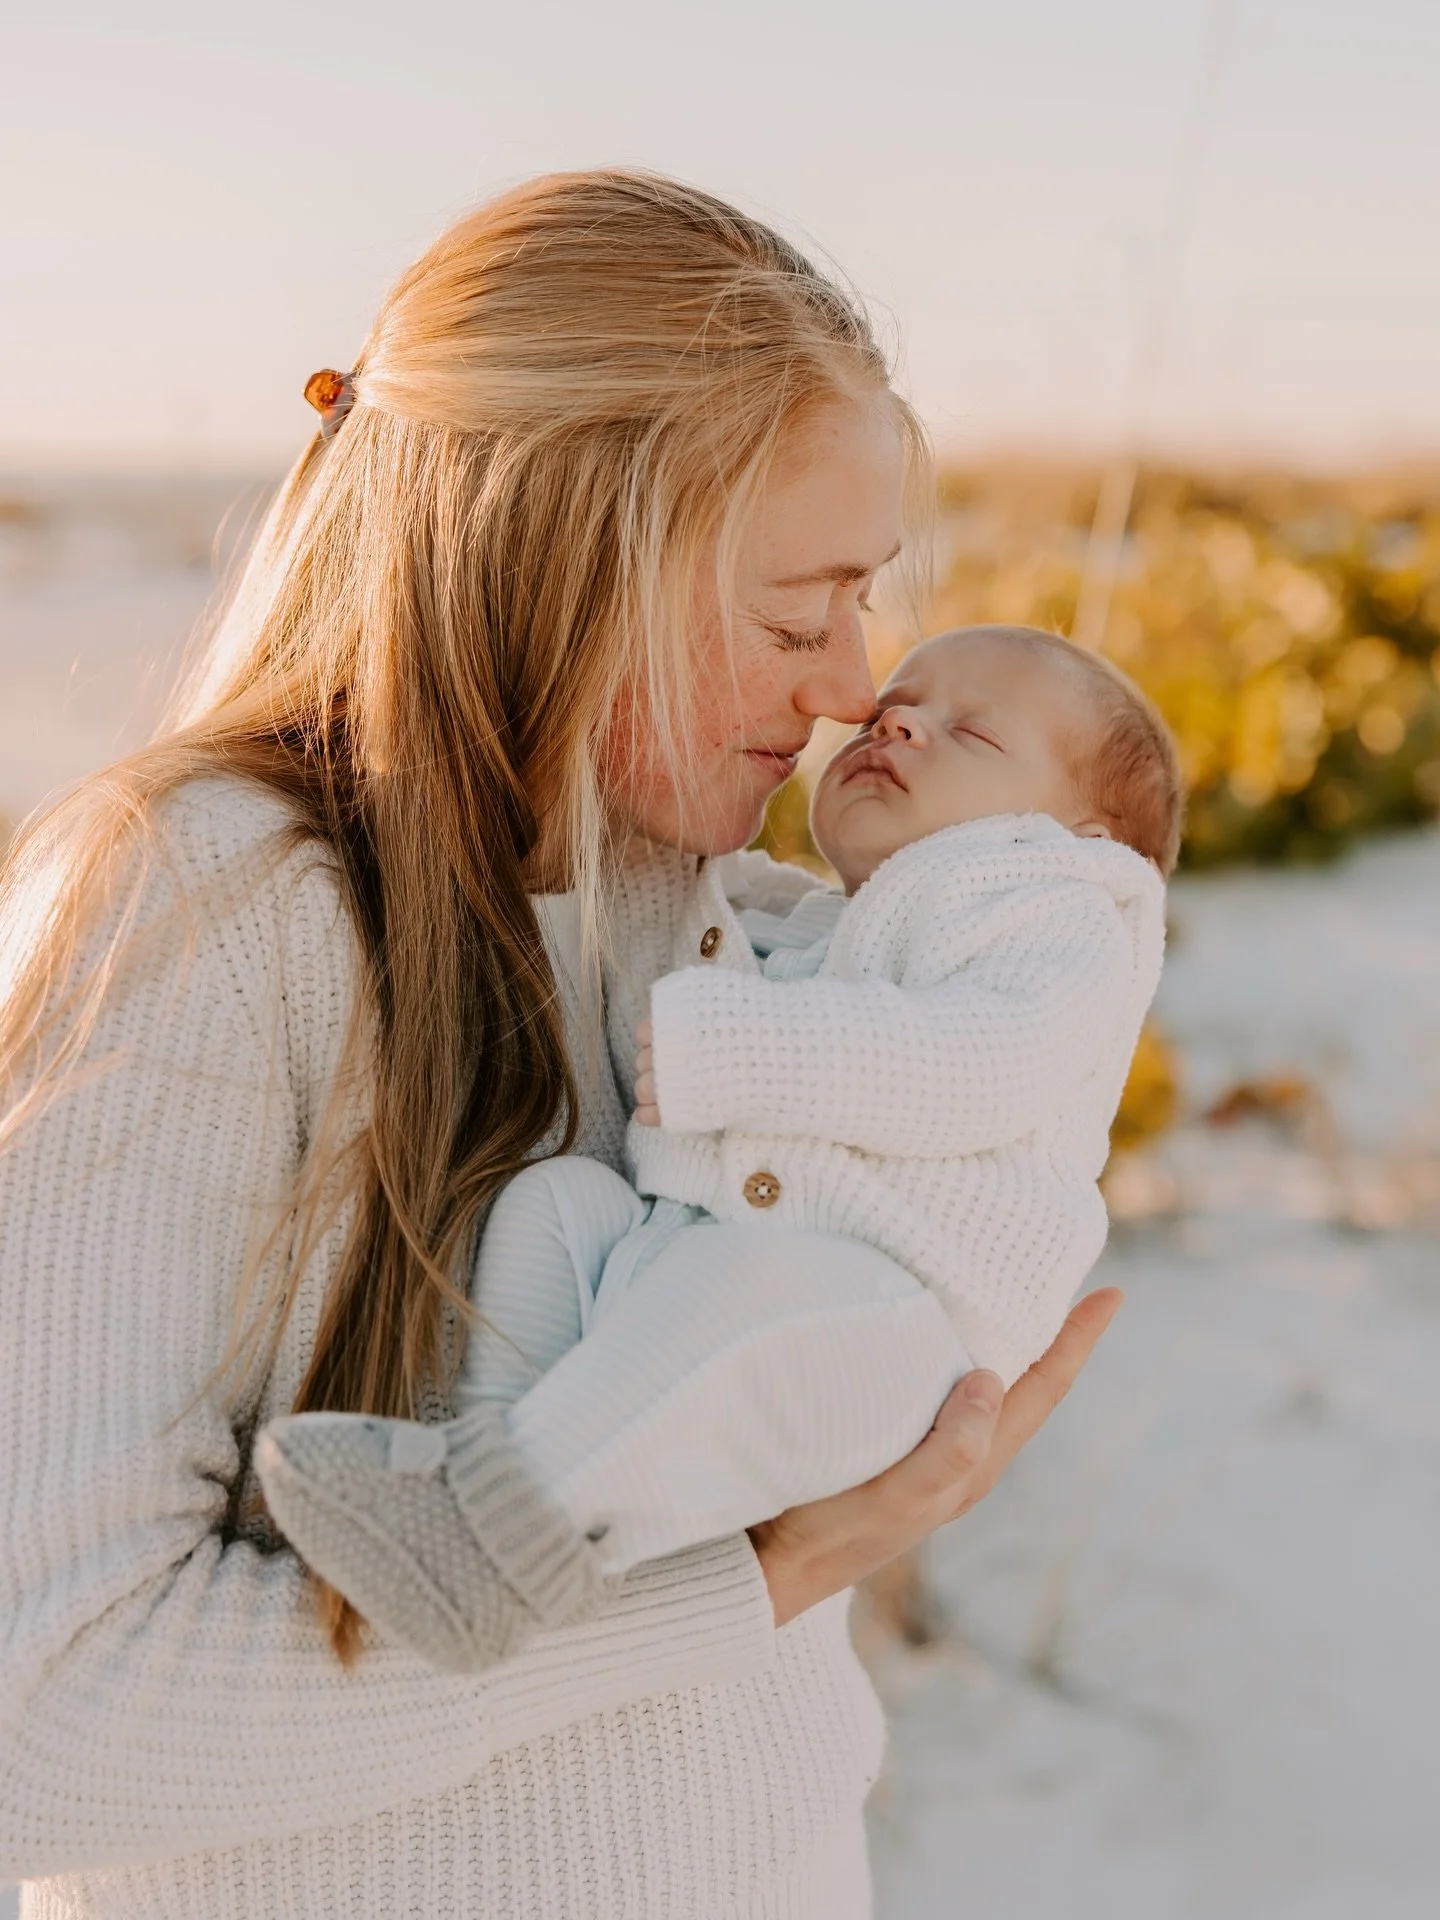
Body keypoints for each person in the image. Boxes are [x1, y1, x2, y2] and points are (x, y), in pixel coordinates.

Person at [0, 171, 1121, 1919]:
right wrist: (768, 1571)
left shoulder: (714, 905)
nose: (851, 684)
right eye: (791, 611)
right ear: (560, 563)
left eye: (864, 601)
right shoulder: (201, 913)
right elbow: (40, 1719)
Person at [258, 624, 1178, 1669]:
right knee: (559, 1206)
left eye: (967, 731)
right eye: (890, 710)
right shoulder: (835, 918)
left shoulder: (1060, 917)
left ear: (1085, 834)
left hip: (895, 1318)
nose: (897, 719)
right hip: (730, 1262)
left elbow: (985, 1064)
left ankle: (503, 1531)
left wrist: (744, 1050)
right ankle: (500, 1465)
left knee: (739, 1306)